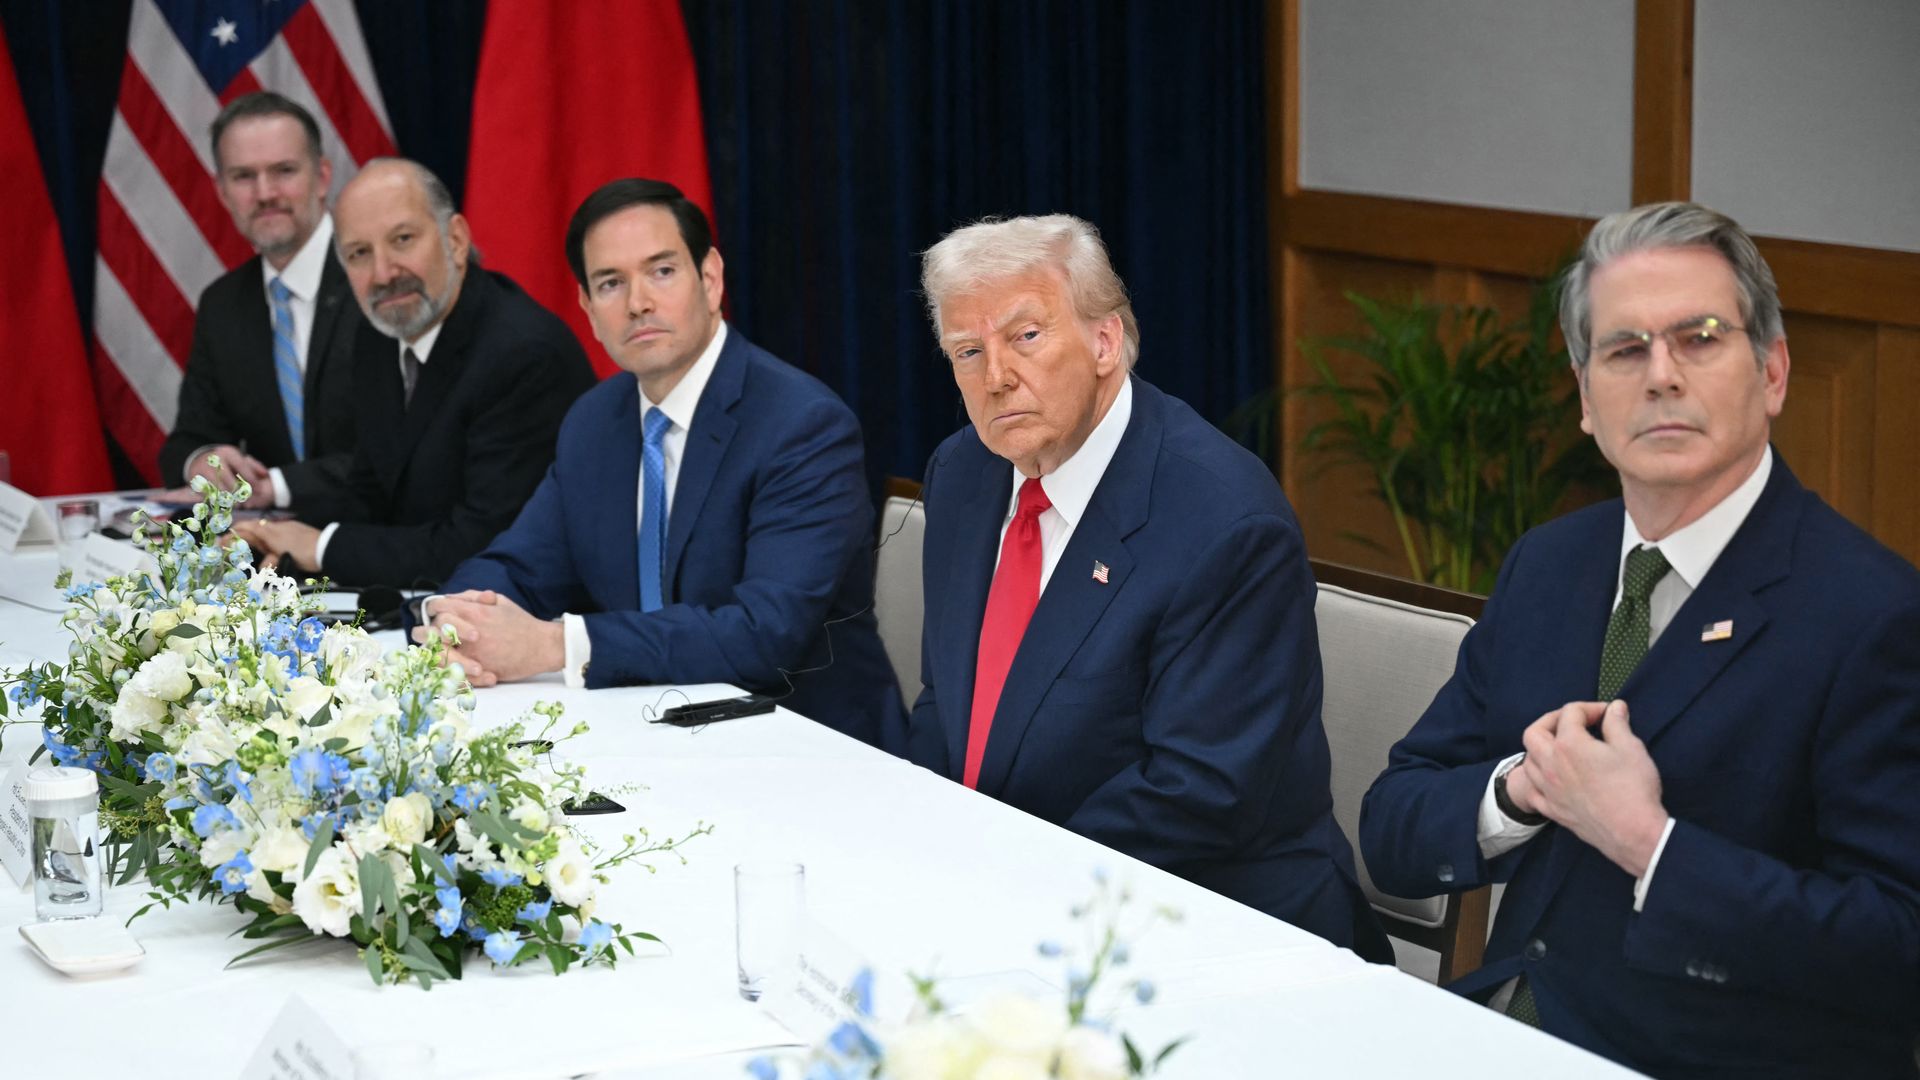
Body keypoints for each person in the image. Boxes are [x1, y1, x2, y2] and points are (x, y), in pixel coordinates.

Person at [1359, 202, 1920, 1077]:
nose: (1661, 376)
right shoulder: (1548, 565)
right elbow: (1395, 825)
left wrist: (1649, 845)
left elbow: (1898, 949)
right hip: (1502, 1028)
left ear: (1771, 372)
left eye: (1699, 339)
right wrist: (1515, 794)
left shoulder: (1873, 614)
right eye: (1624, 349)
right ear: (1586, 400)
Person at [905, 214, 1388, 958]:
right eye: (968, 352)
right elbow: (949, 704)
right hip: (1000, 900)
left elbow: (1196, 794)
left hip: (1208, 925)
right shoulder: (964, 471)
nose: (996, 376)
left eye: (1025, 337)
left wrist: (1001, 892)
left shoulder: (1223, 522)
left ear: (1105, 341)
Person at [415, 179, 902, 748]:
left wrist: (558, 645)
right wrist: (453, 621)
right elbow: (521, 567)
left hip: (809, 748)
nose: (638, 301)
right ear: (588, 309)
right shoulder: (594, 423)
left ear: (711, 278)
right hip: (650, 733)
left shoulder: (802, 424)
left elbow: (763, 635)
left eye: (662, 271)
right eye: (611, 283)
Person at [231, 159, 594, 589]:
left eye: (402, 240)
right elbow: (371, 495)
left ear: (455, 240)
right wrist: (262, 540)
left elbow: (484, 545)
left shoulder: (523, 356)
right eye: (359, 254)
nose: (384, 274)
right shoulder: (380, 335)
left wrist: (323, 546)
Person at [158, 92, 365, 517]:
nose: (265, 192)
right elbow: (188, 438)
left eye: (284, 171)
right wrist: (203, 459)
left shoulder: (374, 278)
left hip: (389, 542)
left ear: (323, 177)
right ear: (222, 191)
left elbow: (400, 449)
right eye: (243, 176)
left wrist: (279, 486)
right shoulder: (223, 305)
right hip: (272, 559)